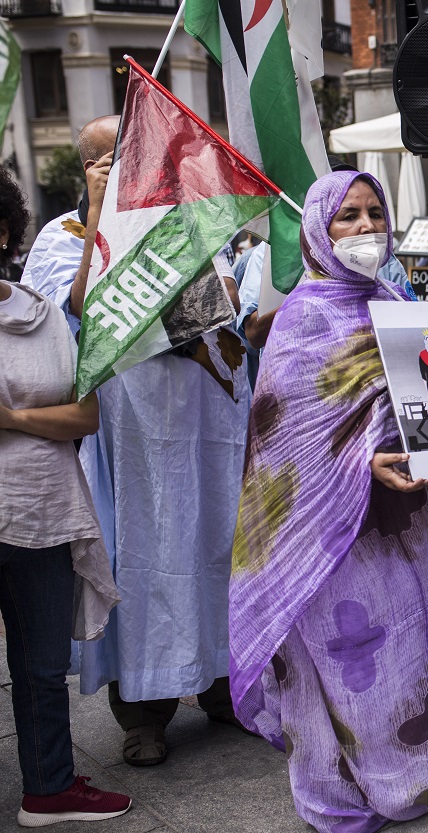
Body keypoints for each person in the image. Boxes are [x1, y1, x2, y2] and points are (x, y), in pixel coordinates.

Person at [229, 171, 428, 833]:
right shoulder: (301, 319)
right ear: (320, 230)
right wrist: (360, 462)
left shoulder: (400, 297)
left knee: (422, 643)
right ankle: (344, 790)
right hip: (334, 532)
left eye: (374, 213)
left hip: (413, 518)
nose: (363, 228)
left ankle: (426, 769)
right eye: (347, 215)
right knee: (358, 660)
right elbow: (280, 446)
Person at [21, 116, 251, 767]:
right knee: (141, 562)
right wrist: (101, 212)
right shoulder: (64, 236)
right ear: (90, 169)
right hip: (131, 437)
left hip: (205, 428)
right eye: (115, 159)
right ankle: (143, 714)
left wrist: (186, 292)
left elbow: (226, 294)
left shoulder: (187, 223)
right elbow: (76, 309)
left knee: (213, 550)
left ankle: (222, 688)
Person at [0, 166, 131, 827]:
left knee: (41, 664)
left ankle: (48, 788)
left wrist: (14, 419)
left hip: (41, 513)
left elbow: (85, 415)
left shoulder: (43, 316)